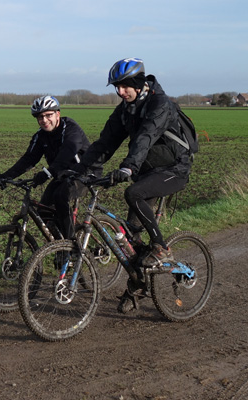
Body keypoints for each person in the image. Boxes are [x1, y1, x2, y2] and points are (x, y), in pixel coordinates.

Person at [73, 58, 193, 312]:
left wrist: (128, 167)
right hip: (148, 172)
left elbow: (145, 138)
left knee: (133, 193)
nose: (120, 92)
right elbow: (105, 143)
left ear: (138, 84)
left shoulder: (160, 105)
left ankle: (161, 248)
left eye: (124, 86)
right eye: (117, 87)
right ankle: (138, 286)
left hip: (174, 169)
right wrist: (80, 169)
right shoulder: (125, 110)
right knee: (131, 238)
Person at [0, 95, 97, 240]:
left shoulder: (71, 129)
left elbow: (67, 152)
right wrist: (5, 176)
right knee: (43, 211)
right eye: (40, 117)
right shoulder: (40, 136)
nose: (44, 120)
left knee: (60, 196)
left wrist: (48, 172)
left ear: (57, 114)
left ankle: (71, 245)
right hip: (62, 175)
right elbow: (29, 159)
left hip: (84, 172)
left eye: (48, 115)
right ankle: (59, 245)